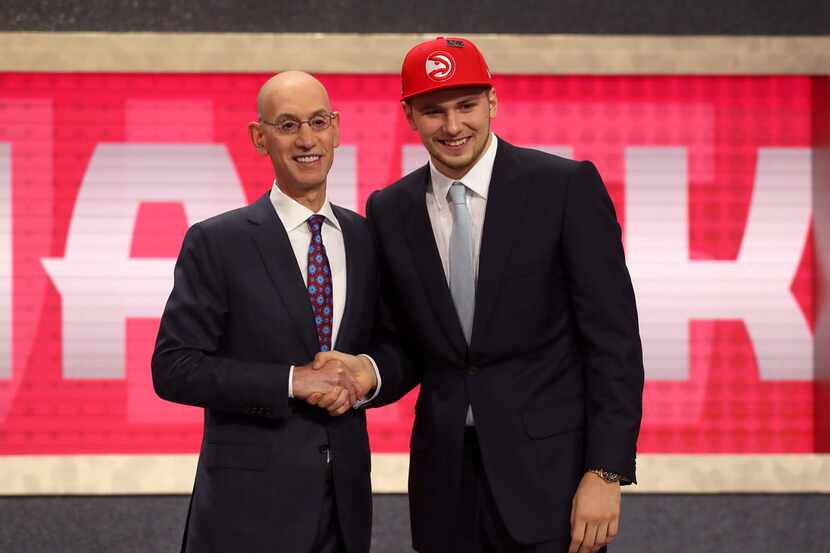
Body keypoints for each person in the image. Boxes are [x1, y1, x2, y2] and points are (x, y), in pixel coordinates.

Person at [316, 37, 644, 553]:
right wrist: (368, 372)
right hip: (445, 488)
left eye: (466, 106)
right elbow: (405, 342)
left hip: (553, 483)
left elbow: (614, 343)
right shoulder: (390, 210)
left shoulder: (563, 188)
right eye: (433, 111)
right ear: (409, 116)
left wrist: (605, 471)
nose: (452, 126)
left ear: (492, 102)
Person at [152, 71, 379, 553]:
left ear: (336, 128)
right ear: (260, 137)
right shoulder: (217, 242)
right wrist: (292, 381)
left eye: (318, 122)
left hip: (345, 507)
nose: (307, 139)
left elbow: (401, 346)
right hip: (246, 514)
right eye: (287, 125)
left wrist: (369, 375)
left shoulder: (368, 238)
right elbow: (174, 368)